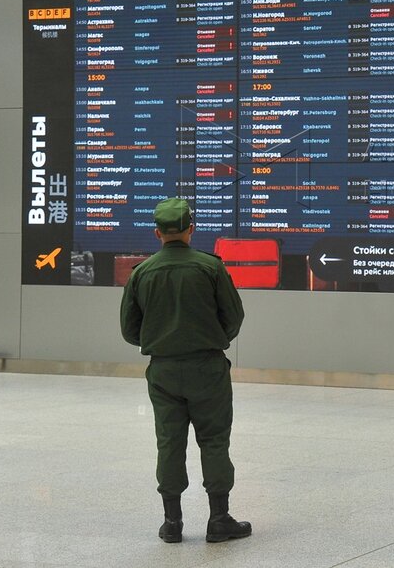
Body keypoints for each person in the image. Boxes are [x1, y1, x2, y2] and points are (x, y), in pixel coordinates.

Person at [120, 198, 251, 543]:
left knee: (169, 443)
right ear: (191, 229)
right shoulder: (211, 268)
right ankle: (219, 518)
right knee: (214, 440)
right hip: (207, 367)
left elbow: (129, 329)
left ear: (157, 232)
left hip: (163, 370)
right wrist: (215, 339)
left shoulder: (142, 273)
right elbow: (234, 316)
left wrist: (159, 341)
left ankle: (172, 523)